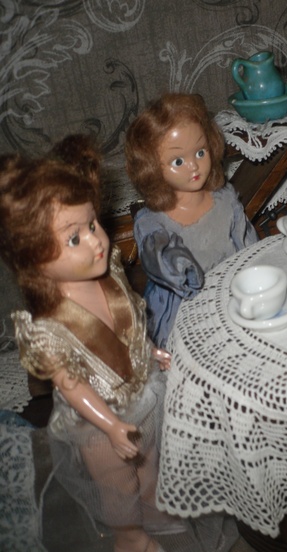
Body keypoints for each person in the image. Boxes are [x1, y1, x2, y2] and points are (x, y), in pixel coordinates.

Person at [0, 135, 177, 552]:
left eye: (93, 224)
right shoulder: (49, 326)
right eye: (74, 238)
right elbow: (72, 385)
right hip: (99, 419)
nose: (97, 241)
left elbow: (129, 327)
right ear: (31, 256)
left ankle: (154, 511)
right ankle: (128, 535)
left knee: (150, 462)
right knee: (116, 483)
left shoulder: (109, 274)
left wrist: (149, 352)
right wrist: (111, 424)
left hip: (145, 395)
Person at [125, 93, 258, 347]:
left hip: (232, 294)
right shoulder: (153, 223)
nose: (194, 167)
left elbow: (246, 243)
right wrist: (178, 266)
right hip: (181, 310)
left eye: (200, 152)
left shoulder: (225, 199)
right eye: (178, 161)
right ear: (151, 167)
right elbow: (159, 259)